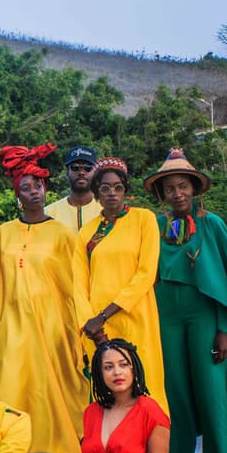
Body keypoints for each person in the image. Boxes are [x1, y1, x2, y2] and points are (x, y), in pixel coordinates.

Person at [144, 148, 227, 453]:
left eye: (183, 186)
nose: (177, 194)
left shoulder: (212, 223)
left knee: (212, 398)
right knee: (174, 399)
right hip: (167, 320)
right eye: (170, 189)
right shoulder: (157, 226)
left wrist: (226, 327)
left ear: (195, 189)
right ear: (162, 195)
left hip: (206, 319)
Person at [0, 144, 87, 453]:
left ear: (45, 187)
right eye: (25, 188)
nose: (33, 192)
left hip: (54, 327)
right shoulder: (5, 233)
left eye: (36, 185)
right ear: (17, 195)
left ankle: (63, 452)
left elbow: (75, 287)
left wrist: (82, 328)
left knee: (56, 390)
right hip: (12, 329)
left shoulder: (63, 234)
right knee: (13, 389)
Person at [73, 157, 169, 416]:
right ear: (96, 194)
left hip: (136, 318)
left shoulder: (144, 220)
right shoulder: (87, 233)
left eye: (117, 187)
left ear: (126, 190)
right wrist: (91, 324)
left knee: (144, 386)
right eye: (104, 188)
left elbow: (146, 274)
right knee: (107, 392)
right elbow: (78, 285)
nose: (112, 193)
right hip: (96, 328)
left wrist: (104, 314)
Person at [79, 339, 173, 453]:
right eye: (108, 367)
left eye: (123, 365)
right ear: (99, 374)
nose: (117, 372)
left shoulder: (150, 410)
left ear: (133, 369)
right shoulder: (91, 412)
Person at [45, 146, 102, 233]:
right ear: (67, 172)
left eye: (88, 168)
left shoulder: (106, 211)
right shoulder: (49, 213)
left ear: (95, 173)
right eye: (75, 167)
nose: (81, 172)